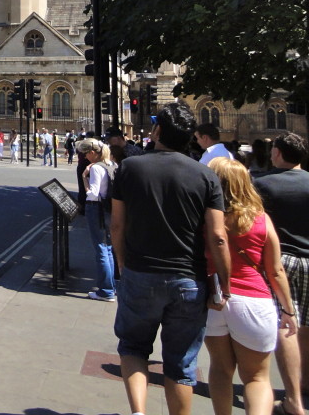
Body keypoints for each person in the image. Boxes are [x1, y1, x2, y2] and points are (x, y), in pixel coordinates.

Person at [110, 102, 230, 415]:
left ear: (158, 131)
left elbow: (118, 225)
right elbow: (218, 236)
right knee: (181, 364)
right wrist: (224, 284)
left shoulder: (130, 168)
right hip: (188, 279)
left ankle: (139, 412)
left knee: (134, 347)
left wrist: (121, 263)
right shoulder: (206, 176)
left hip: (140, 272)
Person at [204, 157, 297, 415]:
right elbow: (275, 271)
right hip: (254, 301)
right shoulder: (260, 219)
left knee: (220, 370)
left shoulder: (205, 219)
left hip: (216, 299)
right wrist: (288, 310)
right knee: (256, 378)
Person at [254, 132, 309, 415]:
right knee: (307, 327)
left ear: (277, 154)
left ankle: (293, 400)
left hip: (280, 262)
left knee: (286, 326)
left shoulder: (262, 185)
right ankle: (305, 386)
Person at [77, 137, 117, 301]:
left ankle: (106, 291)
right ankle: (112, 287)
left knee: (101, 249)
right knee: (108, 249)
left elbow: (93, 194)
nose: (84, 157)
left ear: (92, 153)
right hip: (109, 210)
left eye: (85, 154)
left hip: (96, 209)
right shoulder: (112, 164)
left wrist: (85, 177)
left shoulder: (95, 168)